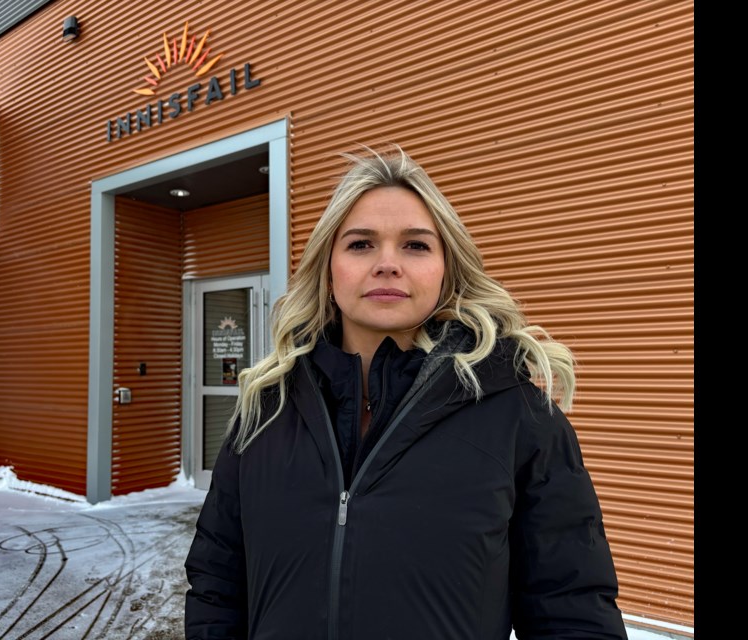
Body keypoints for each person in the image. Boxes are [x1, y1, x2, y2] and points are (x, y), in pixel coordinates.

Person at [184, 146, 629, 639]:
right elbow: (217, 584)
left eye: (416, 245)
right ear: (328, 271)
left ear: (447, 269)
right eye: (360, 244)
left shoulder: (519, 415)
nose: (387, 264)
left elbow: (571, 608)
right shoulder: (265, 411)